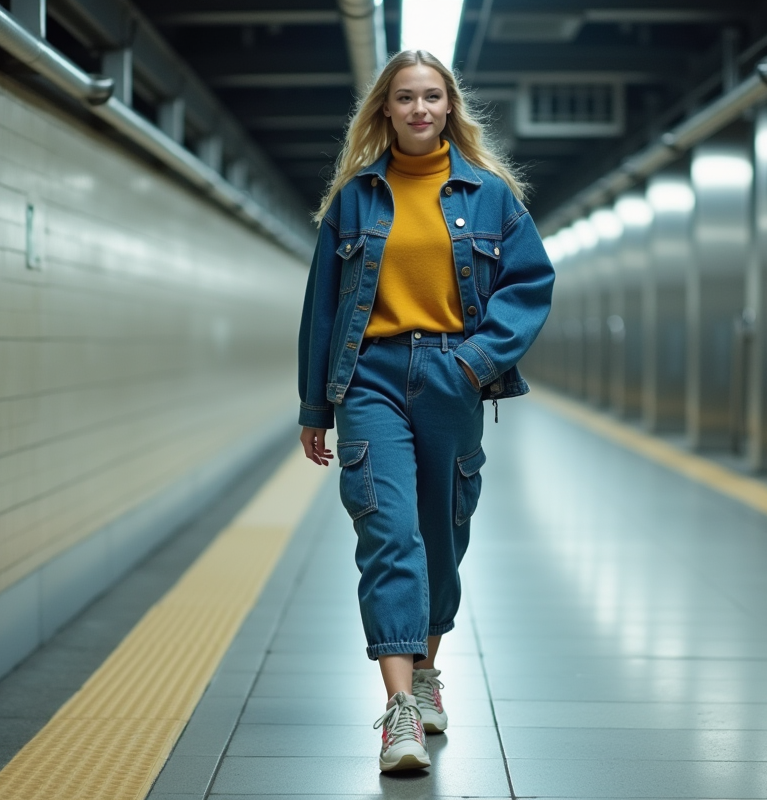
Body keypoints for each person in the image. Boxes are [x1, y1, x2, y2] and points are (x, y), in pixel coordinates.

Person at [297, 49, 554, 773]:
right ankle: (401, 710)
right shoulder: (354, 199)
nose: (418, 109)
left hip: (452, 374)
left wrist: (476, 362)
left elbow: (530, 283)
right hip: (369, 375)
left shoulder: (491, 195)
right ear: (384, 110)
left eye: (431, 97)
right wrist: (314, 404)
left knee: (441, 533)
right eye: (404, 98)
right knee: (388, 529)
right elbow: (322, 306)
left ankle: (429, 668)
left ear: (449, 108)